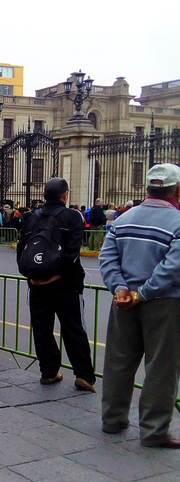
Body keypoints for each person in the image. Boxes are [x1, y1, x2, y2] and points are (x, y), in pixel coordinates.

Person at [99, 163, 180, 448]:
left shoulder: (122, 219)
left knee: (119, 361)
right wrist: (143, 293)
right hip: (165, 303)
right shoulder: (178, 222)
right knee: (161, 367)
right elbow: (173, 267)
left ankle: (112, 419)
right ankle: (154, 431)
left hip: (123, 303)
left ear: (147, 188)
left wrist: (121, 289)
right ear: (177, 190)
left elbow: (106, 259)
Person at [17, 178, 96, 392]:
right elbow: (72, 252)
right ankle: (84, 375)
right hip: (66, 283)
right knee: (73, 328)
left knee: (42, 328)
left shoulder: (32, 218)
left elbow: (21, 250)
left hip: (36, 283)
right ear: (65, 195)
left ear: (44, 196)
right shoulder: (72, 216)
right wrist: (57, 274)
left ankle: (49, 371)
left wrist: (31, 275)